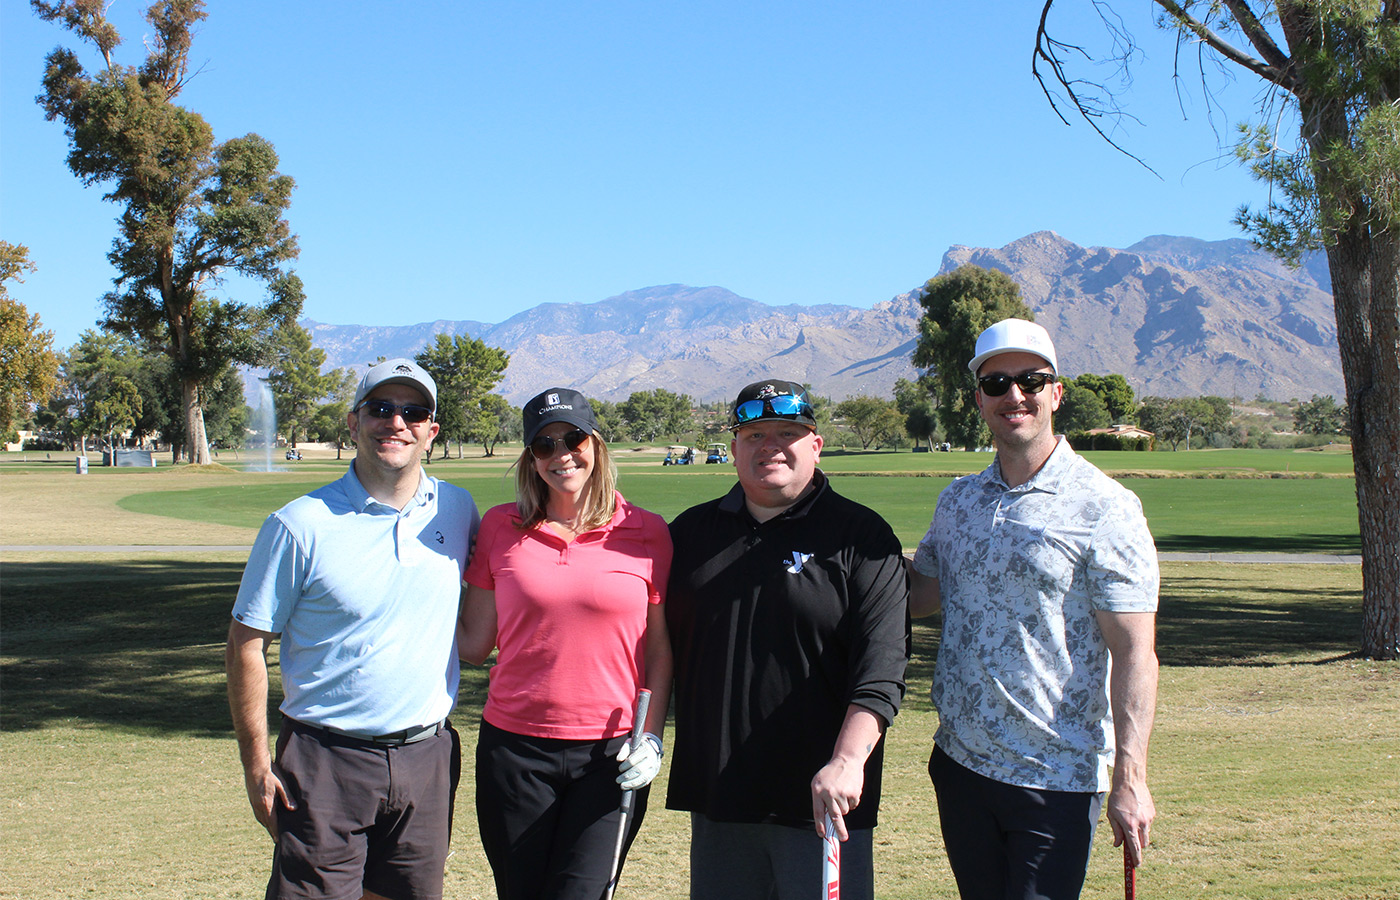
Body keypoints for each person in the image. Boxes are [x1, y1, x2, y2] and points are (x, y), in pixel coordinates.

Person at [909, 318, 1160, 900]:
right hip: (960, 763)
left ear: (1056, 392)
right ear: (979, 399)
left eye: (1031, 379)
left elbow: (1135, 653)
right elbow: (920, 596)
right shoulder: (960, 500)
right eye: (997, 383)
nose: (1013, 395)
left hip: (1055, 778)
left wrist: (1131, 777)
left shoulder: (1106, 507)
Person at [226, 358, 479, 900]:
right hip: (325, 762)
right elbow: (247, 644)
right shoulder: (299, 524)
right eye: (381, 409)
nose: (396, 423)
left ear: (431, 432)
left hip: (427, 758)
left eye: (413, 412)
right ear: (353, 423)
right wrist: (255, 764)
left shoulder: (457, 509)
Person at [665, 379, 910, 900]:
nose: (769, 445)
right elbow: (643, 645)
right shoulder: (688, 534)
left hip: (824, 804)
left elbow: (882, 669)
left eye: (787, 432)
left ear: (815, 445)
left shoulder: (862, 537)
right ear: (733, 448)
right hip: (720, 802)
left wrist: (847, 762)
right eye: (753, 434)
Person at [457, 387, 673, 900]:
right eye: (544, 445)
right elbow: (473, 644)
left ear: (596, 444)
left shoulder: (647, 531)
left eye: (573, 438)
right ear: (531, 458)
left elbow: (659, 651)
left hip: (612, 754)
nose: (561, 455)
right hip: (514, 750)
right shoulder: (499, 527)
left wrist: (653, 735)